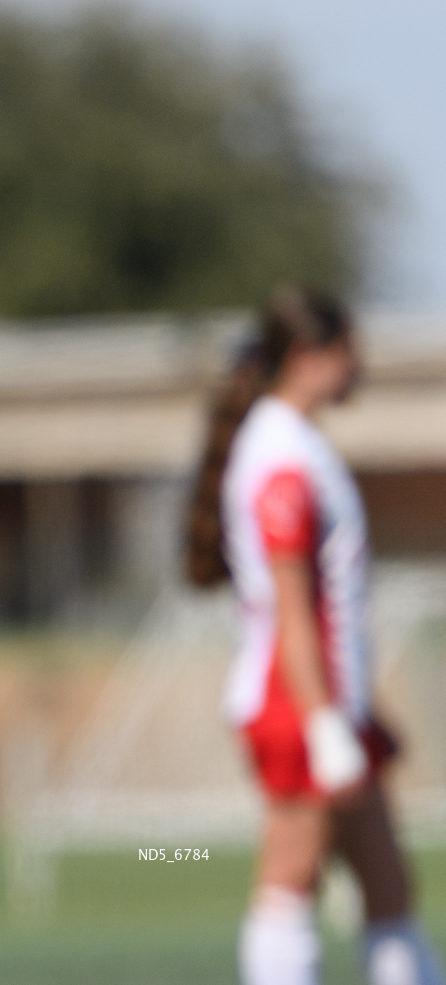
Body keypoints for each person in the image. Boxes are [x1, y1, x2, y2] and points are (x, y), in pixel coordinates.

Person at [186, 288, 444, 985]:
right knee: (290, 878)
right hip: (296, 694)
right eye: (349, 348)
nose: (360, 363)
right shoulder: (280, 454)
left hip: (328, 695)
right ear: (308, 356)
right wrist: (325, 721)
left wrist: (357, 708)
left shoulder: (295, 443)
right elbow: (294, 607)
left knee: (389, 888)